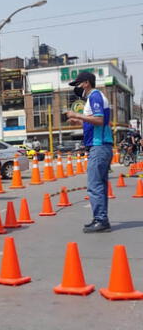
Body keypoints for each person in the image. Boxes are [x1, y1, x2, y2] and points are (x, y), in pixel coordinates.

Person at [65, 71, 113, 233]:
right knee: (100, 184)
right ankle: (100, 218)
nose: (77, 88)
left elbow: (99, 120)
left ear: (86, 83)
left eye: (78, 84)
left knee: (94, 185)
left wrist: (76, 114)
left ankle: (100, 219)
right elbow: (97, 121)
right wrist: (79, 120)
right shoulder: (94, 98)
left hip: (99, 146)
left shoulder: (95, 97)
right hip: (101, 145)